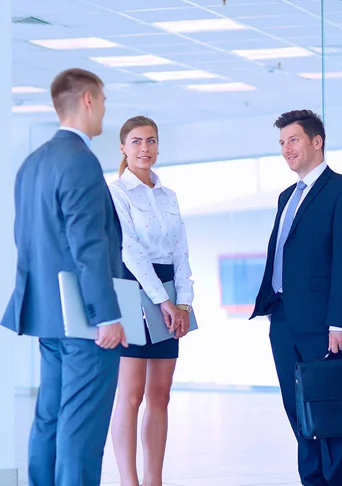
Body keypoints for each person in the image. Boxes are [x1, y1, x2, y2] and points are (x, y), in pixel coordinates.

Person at [1, 68, 127, 485]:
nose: (106, 109)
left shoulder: (32, 163)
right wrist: (106, 316)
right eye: (104, 100)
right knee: (81, 429)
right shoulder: (81, 161)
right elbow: (87, 245)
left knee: (50, 419)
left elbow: (26, 239)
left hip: (47, 317)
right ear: (88, 99)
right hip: (84, 322)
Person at [250, 110, 342, 486]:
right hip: (283, 318)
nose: (286, 149)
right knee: (299, 413)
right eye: (282, 143)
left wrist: (341, 322)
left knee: (331, 412)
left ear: (317, 141)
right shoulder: (287, 196)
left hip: (323, 323)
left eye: (293, 140)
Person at [108, 115, 194, 486]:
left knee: (161, 393)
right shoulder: (117, 192)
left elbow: (181, 254)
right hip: (130, 288)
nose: (145, 149)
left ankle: (154, 480)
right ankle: (130, 480)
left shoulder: (169, 196)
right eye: (138, 142)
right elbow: (130, 250)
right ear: (124, 149)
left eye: (152, 141)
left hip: (169, 293)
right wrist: (162, 301)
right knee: (131, 394)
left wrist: (184, 303)